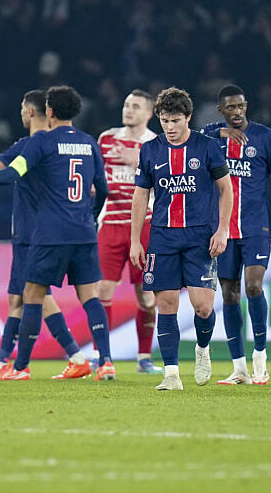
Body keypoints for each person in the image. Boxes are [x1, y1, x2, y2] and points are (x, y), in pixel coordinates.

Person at [0, 86, 112, 381]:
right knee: (90, 297)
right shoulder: (89, 143)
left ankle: (19, 367)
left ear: (49, 112)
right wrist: (91, 217)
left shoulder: (41, 143)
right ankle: (106, 362)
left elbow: (12, 173)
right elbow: (104, 189)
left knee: (32, 294)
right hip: (84, 231)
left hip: (51, 232)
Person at [130, 87, 233, 391]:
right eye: (164, 121)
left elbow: (226, 190)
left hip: (200, 235)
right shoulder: (150, 150)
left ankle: (202, 349)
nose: (170, 127)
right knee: (165, 303)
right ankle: (171, 374)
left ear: (188, 117)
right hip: (162, 236)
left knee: (203, 306)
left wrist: (222, 229)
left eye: (175, 120)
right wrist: (136, 239)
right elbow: (141, 195)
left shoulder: (208, 147)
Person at [201, 84, 271, 386]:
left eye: (241, 106)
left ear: (247, 106)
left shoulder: (265, 137)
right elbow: (187, 142)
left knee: (254, 287)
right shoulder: (211, 139)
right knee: (230, 295)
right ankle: (239, 368)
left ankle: (260, 359)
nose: (237, 112)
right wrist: (216, 133)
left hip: (256, 227)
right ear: (221, 110)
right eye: (230, 107)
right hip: (223, 230)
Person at [95, 89, 161, 374]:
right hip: (110, 223)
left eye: (135, 106)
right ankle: (103, 358)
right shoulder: (107, 139)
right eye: (126, 105)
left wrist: (135, 158)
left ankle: (144, 358)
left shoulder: (157, 144)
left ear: (148, 113)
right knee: (102, 291)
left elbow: (167, 177)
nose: (128, 110)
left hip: (144, 225)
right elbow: (95, 176)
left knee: (146, 296)